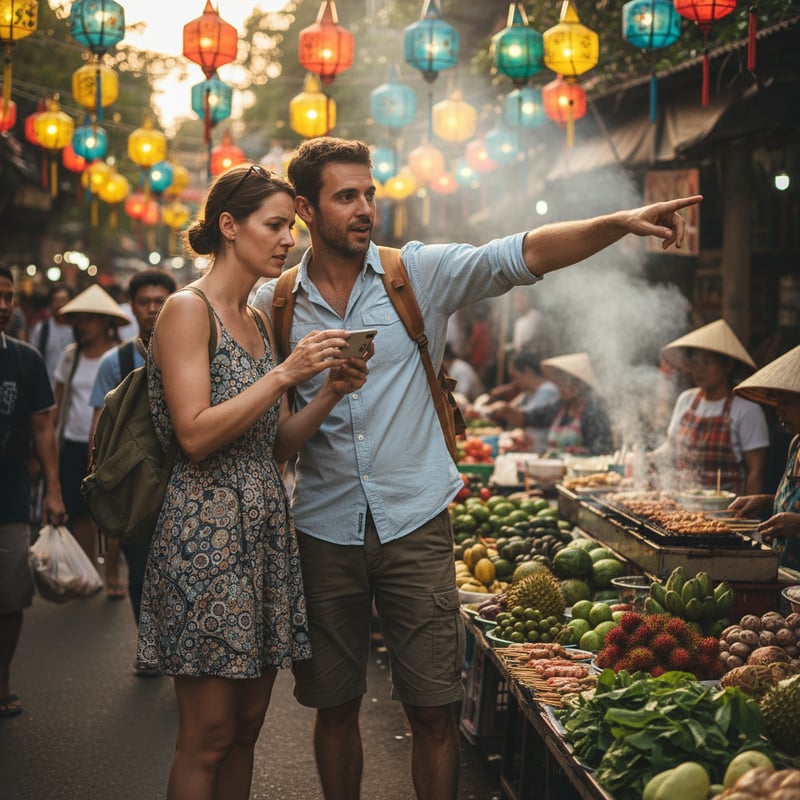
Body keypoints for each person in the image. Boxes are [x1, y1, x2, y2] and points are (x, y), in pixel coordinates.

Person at [251, 136, 701, 800]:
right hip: (322, 528)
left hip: (416, 523)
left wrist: (617, 224)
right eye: (346, 196)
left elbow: (521, 252)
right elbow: (269, 433)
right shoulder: (275, 303)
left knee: (432, 710)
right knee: (334, 705)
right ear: (305, 209)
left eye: (370, 194)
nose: (365, 208)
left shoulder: (415, 273)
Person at [134, 163, 369, 800]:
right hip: (205, 538)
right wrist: (285, 375)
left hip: (262, 534)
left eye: (290, 227)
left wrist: (324, 395)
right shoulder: (188, 310)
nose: (288, 239)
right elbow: (195, 434)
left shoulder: (260, 322)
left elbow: (277, 446)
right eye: (274, 226)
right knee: (207, 736)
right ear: (229, 227)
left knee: (246, 731)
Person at [89, 269, 177, 622]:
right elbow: (100, 428)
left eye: (160, 301)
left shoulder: (192, 352)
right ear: (132, 307)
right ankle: (147, 645)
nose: (152, 309)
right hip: (136, 483)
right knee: (139, 566)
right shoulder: (117, 362)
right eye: (144, 302)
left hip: (180, 477)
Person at [0, 266, 67, 718]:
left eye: (8, 297)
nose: (4, 306)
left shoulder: (24, 359)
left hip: (9, 500)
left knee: (9, 596)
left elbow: (43, 426)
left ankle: (2, 681)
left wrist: (53, 491)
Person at [53, 285, 130, 593]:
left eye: (89, 319)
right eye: (79, 320)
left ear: (105, 322)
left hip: (109, 446)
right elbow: (58, 402)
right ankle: (88, 569)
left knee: (109, 511)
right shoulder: (70, 357)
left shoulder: (121, 358)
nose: (83, 326)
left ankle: (111, 569)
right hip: (72, 443)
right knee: (79, 510)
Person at [651, 319, 769, 494]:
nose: (699, 370)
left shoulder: (746, 409)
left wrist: (745, 513)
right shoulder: (686, 400)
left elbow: (756, 471)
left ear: (727, 366)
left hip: (726, 508)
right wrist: (648, 458)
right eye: (695, 363)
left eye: (707, 363)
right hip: (683, 501)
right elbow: (671, 446)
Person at [728, 344, 800, 569]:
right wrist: (763, 501)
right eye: (776, 401)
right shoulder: (795, 444)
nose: (778, 409)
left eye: (785, 402)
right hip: (786, 574)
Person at [482, 349, 560, 453]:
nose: (514, 382)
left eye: (515, 377)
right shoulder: (528, 393)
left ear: (527, 371)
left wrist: (505, 409)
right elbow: (511, 407)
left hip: (540, 450)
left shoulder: (548, 390)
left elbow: (526, 417)